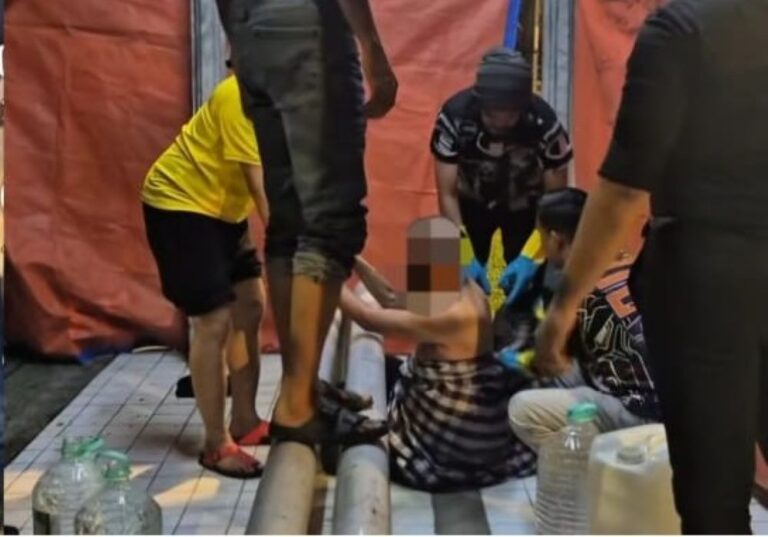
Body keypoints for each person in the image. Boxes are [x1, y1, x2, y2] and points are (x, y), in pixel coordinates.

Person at [534, 1, 768, 533]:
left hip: (706, 280)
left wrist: (564, 307)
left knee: (714, 498)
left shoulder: (681, 30)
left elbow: (623, 190)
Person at [216, 0, 397, 445]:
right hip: (308, 32)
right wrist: (372, 49)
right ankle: (297, 404)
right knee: (330, 222)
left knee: (290, 219)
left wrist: (240, 40)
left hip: (249, 34)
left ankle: (302, 387)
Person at [339, 218, 536, 492]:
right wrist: (350, 258)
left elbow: (367, 318)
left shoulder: (451, 313)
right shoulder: (467, 288)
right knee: (370, 376)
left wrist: (323, 268)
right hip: (456, 396)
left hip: (452, 436)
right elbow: (390, 298)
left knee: (341, 438)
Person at [141, 73, 270, 478]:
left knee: (251, 304)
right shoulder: (239, 96)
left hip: (224, 209)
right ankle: (216, 445)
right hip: (180, 204)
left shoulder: (296, 99)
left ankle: (245, 420)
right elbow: (264, 192)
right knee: (212, 320)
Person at [506, 188, 660, 451]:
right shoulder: (634, 264)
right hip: (684, 406)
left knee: (523, 406)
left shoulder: (573, 293)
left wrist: (523, 361)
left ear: (556, 240)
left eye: (541, 238)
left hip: (643, 415)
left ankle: (585, 464)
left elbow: (552, 361)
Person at [431, 46, 572, 300]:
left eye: (510, 115)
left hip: (525, 208)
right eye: (492, 114)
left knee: (529, 291)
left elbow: (555, 201)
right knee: (453, 284)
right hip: (469, 204)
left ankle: (521, 318)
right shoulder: (455, 117)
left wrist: (530, 256)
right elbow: (447, 193)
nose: (501, 123)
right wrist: (464, 252)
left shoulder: (545, 124)